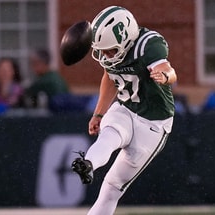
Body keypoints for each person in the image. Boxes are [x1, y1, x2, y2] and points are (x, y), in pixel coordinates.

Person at [71, 6, 177, 215]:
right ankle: (88, 163)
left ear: (126, 39)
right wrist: (99, 113)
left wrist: (164, 76)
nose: (105, 55)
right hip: (126, 107)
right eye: (102, 50)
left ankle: (91, 164)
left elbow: (168, 70)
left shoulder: (148, 45)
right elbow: (110, 77)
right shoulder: (112, 54)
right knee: (109, 136)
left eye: (109, 49)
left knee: (111, 188)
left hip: (153, 123)